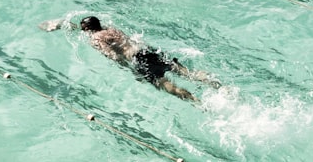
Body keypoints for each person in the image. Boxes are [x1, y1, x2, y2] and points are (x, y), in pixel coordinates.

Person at [40, 15, 220, 101]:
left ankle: (197, 102)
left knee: (166, 85)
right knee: (184, 72)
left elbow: (113, 55)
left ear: (87, 30)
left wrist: (132, 70)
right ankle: (215, 83)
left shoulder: (95, 38)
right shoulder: (111, 29)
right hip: (147, 50)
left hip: (138, 60)